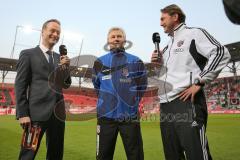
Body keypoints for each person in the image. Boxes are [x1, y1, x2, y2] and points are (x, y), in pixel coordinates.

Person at [151, 4, 231, 160]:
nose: (160, 23)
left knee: (196, 154)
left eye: (163, 18)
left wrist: (200, 82)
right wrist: (158, 65)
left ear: (175, 17)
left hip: (186, 101)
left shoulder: (194, 33)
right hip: (166, 106)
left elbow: (221, 53)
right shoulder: (166, 48)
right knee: (172, 155)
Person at [15, 19, 71, 160]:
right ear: (43, 31)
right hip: (35, 116)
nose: (55, 34)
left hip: (58, 116)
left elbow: (66, 84)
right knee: (27, 154)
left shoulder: (60, 58)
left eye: (58, 32)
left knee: (56, 155)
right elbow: (20, 84)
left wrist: (66, 68)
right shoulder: (28, 54)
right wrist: (22, 113)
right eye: (52, 30)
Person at [92, 27, 147, 160]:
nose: (116, 38)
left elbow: (142, 86)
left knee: (135, 155)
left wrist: (131, 104)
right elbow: (97, 86)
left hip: (129, 117)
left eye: (119, 36)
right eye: (113, 37)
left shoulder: (135, 61)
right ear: (108, 41)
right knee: (103, 156)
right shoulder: (99, 62)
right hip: (105, 118)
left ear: (124, 40)